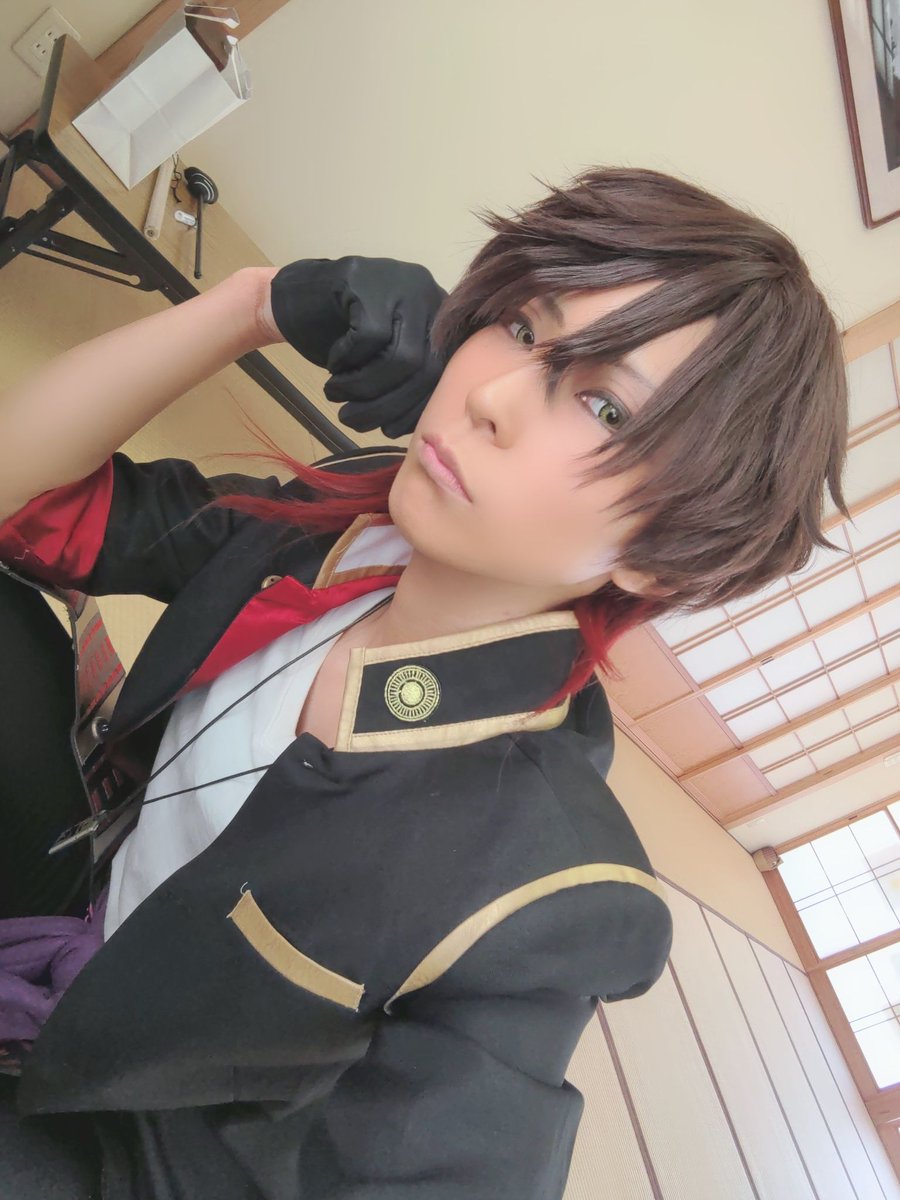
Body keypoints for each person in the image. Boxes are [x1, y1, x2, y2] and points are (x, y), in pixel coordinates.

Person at [0, 165, 848, 1199]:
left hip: (112, 1134)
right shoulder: (339, 539)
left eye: (606, 409)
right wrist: (253, 304)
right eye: (524, 328)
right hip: (77, 904)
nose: (490, 397)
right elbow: (25, 494)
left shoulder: (553, 891)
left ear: (663, 557)